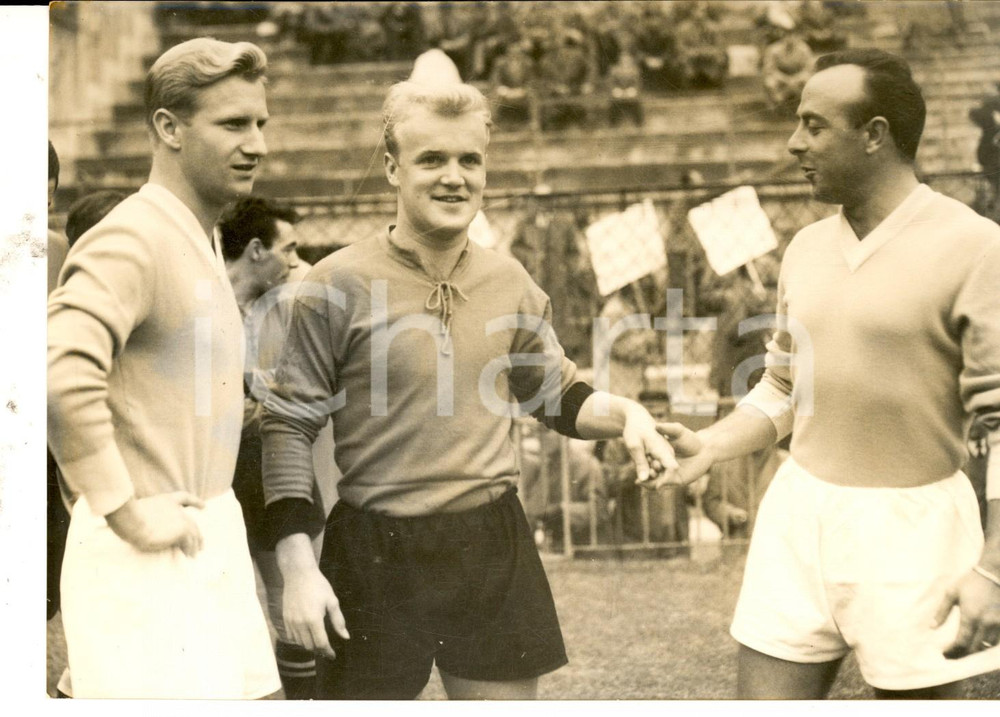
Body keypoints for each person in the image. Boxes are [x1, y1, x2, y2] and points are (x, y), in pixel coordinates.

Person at [260, 80, 683, 700]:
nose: (454, 177)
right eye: (431, 159)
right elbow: (288, 424)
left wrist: (628, 417)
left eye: (470, 160)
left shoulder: (508, 279)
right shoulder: (336, 281)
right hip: (374, 548)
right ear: (391, 167)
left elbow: (557, 394)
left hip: (489, 543)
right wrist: (297, 568)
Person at [654, 48, 1000, 699]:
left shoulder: (977, 245)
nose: (793, 143)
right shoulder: (807, 248)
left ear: (875, 135)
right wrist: (711, 444)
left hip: (914, 528)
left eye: (814, 125)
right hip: (800, 509)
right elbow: (784, 387)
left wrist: (996, 567)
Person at [47, 38, 280, 699]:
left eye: (261, 122)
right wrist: (125, 510)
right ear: (169, 128)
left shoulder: (197, 234)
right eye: (234, 123)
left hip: (207, 533)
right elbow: (60, 371)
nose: (257, 143)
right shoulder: (132, 234)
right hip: (145, 554)